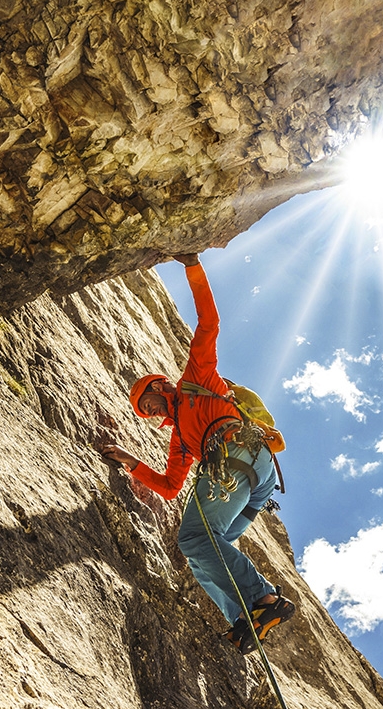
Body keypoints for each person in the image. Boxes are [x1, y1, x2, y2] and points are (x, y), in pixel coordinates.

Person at [102, 253, 294, 654]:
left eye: (147, 399)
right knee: (201, 553)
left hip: (238, 456)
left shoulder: (196, 379)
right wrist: (130, 462)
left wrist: (192, 266)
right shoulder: (181, 441)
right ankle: (245, 618)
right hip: (254, 479)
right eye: (142, 410)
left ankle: (266, 599)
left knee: (194, 536)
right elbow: (172, 487)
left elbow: (209, 323)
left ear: (162, 386)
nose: (147, 410)